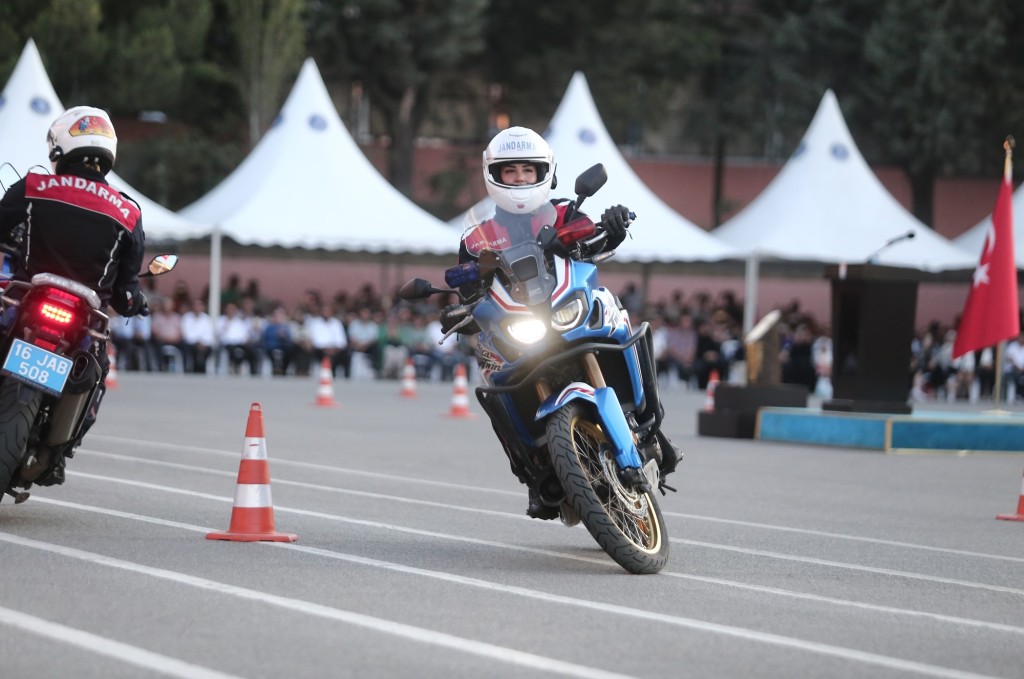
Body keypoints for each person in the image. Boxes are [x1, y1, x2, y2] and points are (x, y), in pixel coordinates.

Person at [441, 126, 681, 520]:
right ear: (494, 176)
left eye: (527, 170)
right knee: (490, 376)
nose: (519, 178)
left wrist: (614, 226)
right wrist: (458, 308)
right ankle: (533, 473)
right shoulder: (476, 238)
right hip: (520, 326)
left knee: (616, 311)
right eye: (510, 171)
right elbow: (467, 288)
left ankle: (646, 419)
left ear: (543, 173)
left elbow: (597, 241)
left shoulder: (566, 211)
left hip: (570, 306)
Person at [0, 106, 147, 481]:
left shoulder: (35, 185)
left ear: (60, 145)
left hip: (26, 300)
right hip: (81, 321)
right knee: (97, 371)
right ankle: (59, 451)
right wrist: (135, 301)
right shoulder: (128, 212)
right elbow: (125, 291)